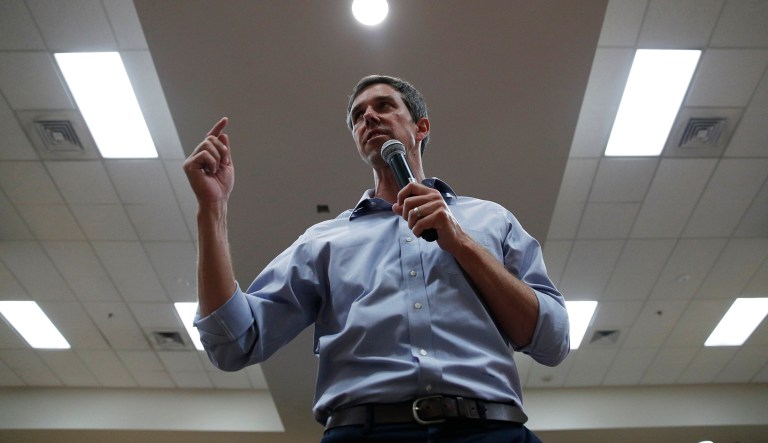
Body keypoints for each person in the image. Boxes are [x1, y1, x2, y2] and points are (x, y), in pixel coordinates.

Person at [183, 74, 570, 442]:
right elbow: (235, 342)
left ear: (422, 128)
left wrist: (462, 244)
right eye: (357, 116)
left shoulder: (492, 220)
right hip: (363, 433)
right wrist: (211, 208)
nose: (368, 116)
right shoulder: (322, 242)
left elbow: (552, 341)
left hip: (490, 432)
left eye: (384, 105)